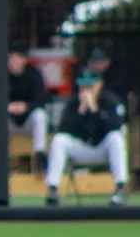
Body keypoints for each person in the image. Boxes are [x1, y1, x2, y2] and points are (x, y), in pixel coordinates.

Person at [43, 68, 129, 206]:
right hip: (81, 149)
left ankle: (120, 189)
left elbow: (115, 125)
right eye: (83, 86)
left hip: (102, 149)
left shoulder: (109, 100)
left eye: (90, 86)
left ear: (99, 84)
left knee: (116, 138)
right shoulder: (73, 103)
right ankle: (52, 190)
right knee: (59, 141)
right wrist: (81, 111)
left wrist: (94, 109)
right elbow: (63, 128)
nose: (86, 90)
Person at [7, 41, 49, 170]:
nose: (12, 61)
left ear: (24, 60)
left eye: (16, 58)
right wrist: (7, 107)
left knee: (40, 115)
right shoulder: (0, 75)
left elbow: (41, 99)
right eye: (10, 58)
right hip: (9, 122)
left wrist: (26, 107)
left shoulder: (34, 75)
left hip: (28, 122)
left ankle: (39, 156)